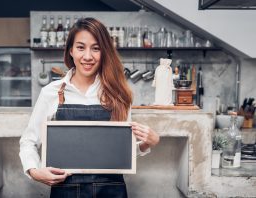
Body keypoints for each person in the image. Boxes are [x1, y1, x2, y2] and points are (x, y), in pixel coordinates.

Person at [19, 17, 160, 198]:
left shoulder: (119, 94)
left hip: (111, 191)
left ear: (104, 52)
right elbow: (28, 142)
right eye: (80, 47)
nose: (87, 56)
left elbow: (121, 152)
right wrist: (34, 171)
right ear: (70, 51)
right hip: (65, 190)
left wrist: (147, 143)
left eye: (96, 48)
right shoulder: (50, 92)